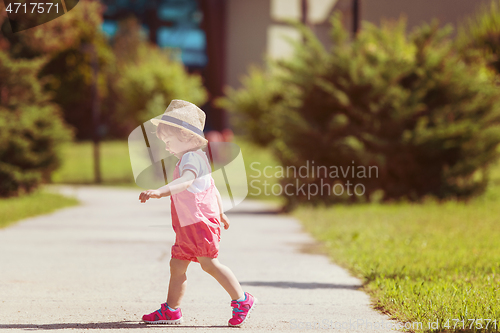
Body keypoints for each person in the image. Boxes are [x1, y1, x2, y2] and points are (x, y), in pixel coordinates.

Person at [138, 100, 256, 327]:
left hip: (200, 224)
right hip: (189, 225)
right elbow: (212, 188)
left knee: (209, 264)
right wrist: (220, 212)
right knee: (177, 265)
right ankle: (171, 310)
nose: (167, 147)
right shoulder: (195, 158)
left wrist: (160, 192)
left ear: (188, 138)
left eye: (170, 141)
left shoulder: (191, 159)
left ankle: (242, 299)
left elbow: (186, 181)